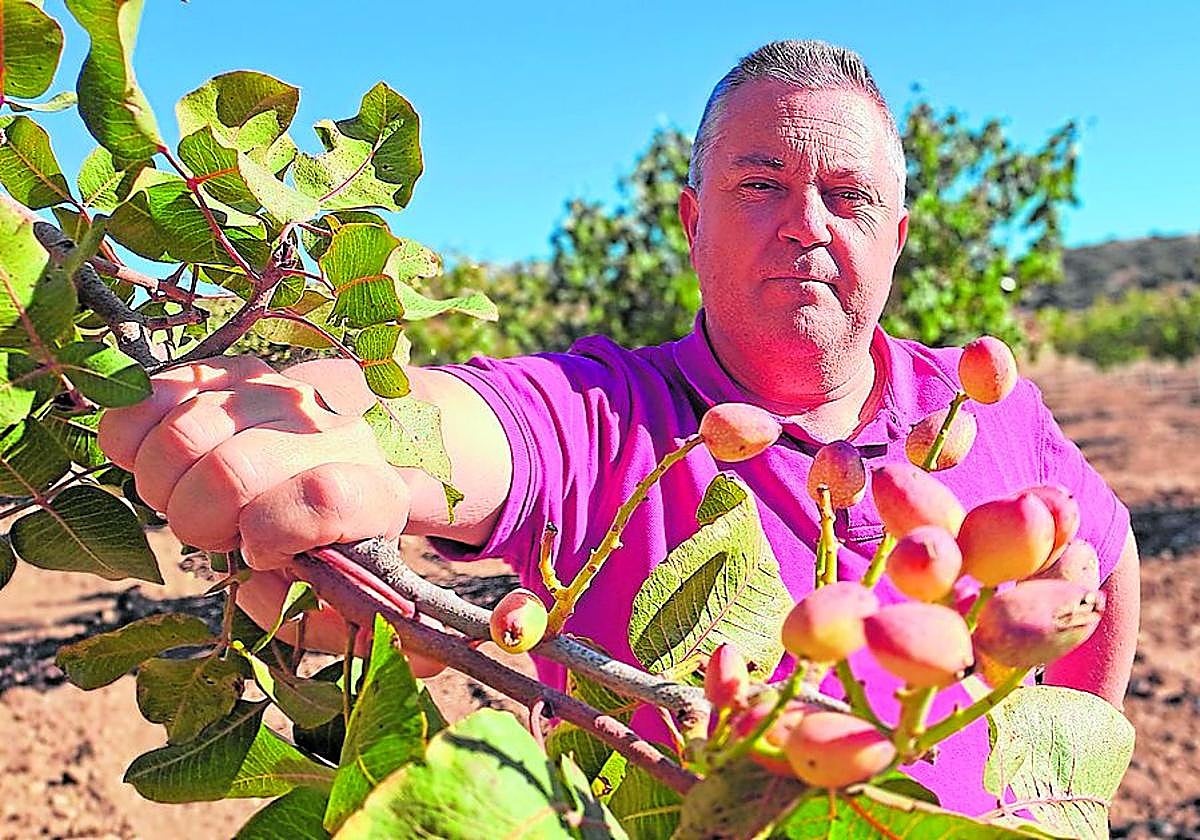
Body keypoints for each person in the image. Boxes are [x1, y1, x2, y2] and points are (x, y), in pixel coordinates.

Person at [97, 40, 1138, 815]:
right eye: (760, 185)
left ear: (896, 237)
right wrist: (329, 425)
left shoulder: (982, 400)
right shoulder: (611, 418)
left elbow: (1113, 545)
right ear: (691, 222)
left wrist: (1062, 779)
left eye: (849, 195)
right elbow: (472, 425)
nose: (808, 223)